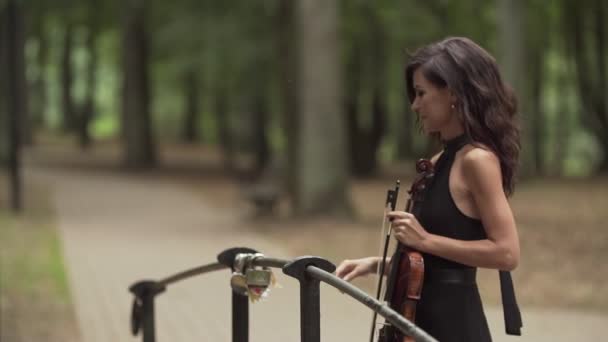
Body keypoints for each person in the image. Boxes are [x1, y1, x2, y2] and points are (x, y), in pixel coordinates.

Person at [336, 37, 522, 341]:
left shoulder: (477, 161)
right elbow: (431, 265)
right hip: (414, 323)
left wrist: (425, 239)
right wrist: (376, 264)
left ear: (452, 93)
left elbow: (507, 253)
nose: (415, 105)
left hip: (453, 327)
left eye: (421, 93)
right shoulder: (438, 161)